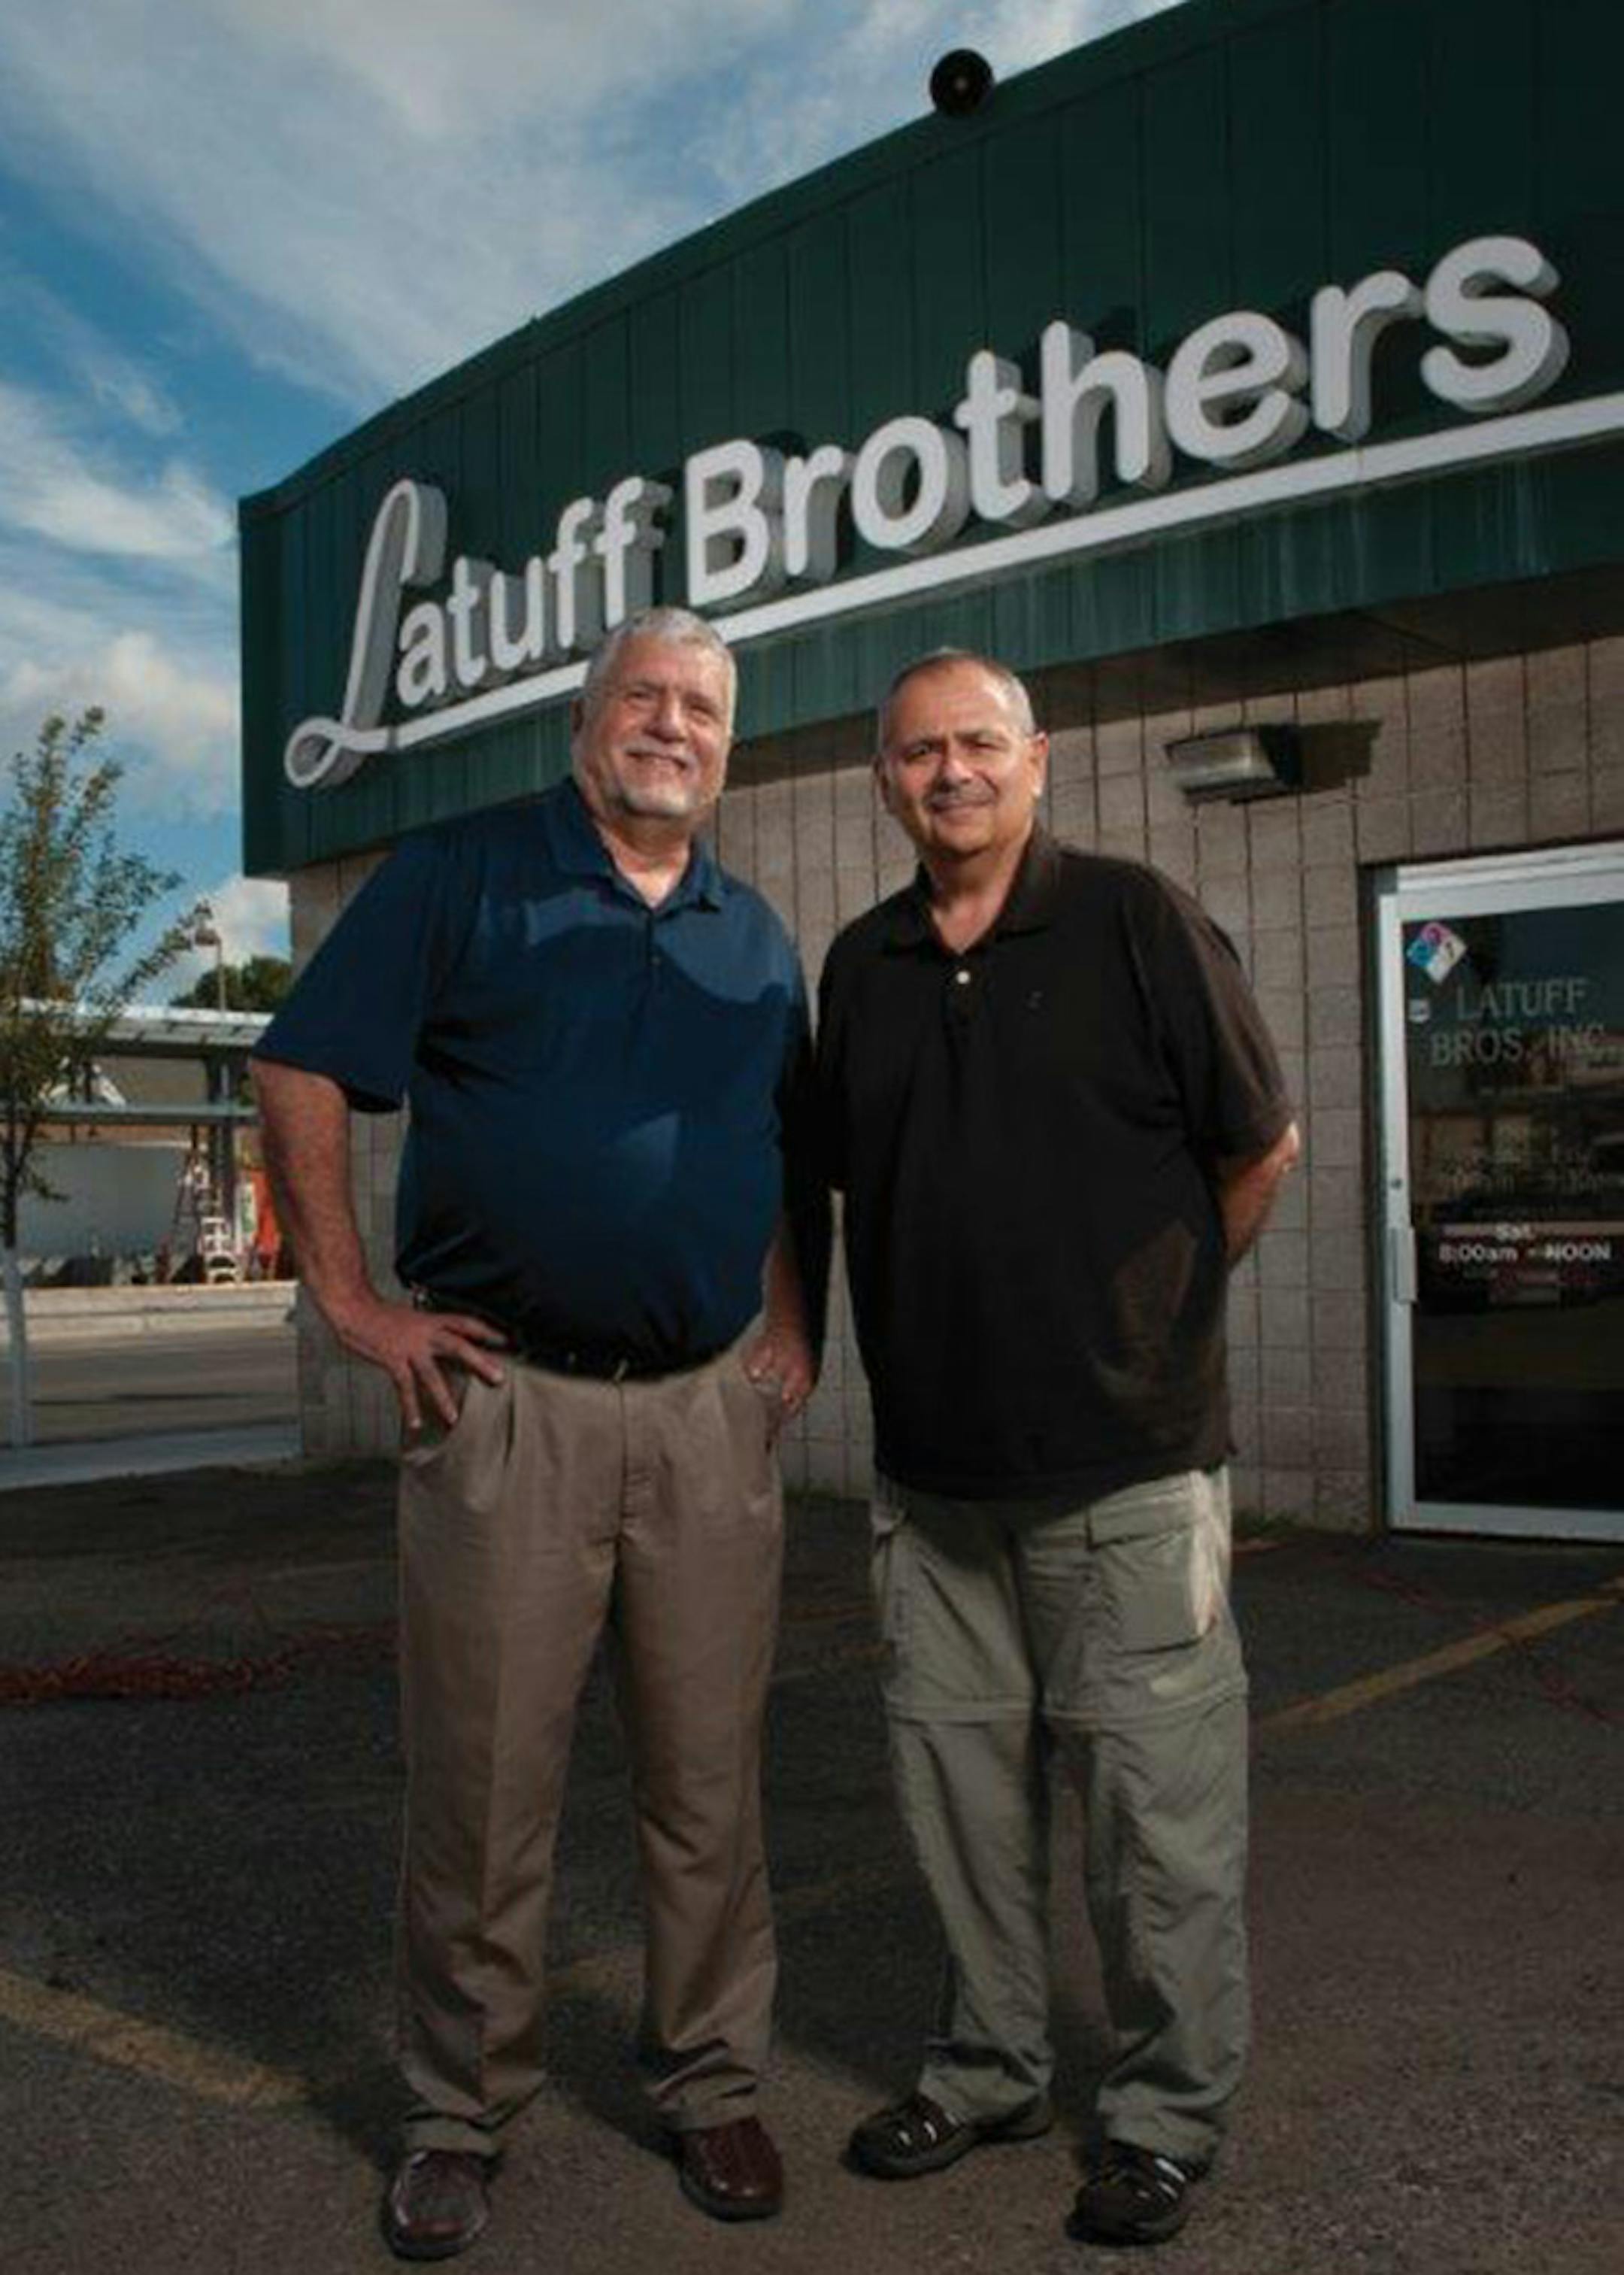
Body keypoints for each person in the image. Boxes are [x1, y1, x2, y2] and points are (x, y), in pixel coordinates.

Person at [251, 605, 826, 2260]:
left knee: (710, 1782)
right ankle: (456, 2111)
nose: (671, 722)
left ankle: (713, 2077)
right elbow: (301, 1066)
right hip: (508, 1409)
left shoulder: (754, 931)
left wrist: (794, 1329)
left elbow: (779, 1152)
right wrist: (351, 1306)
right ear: (586, 722)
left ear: (728, 743)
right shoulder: (464, 870)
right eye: (641, 694)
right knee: (486, 1787)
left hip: (708, 1417)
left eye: (702, 705)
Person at [816, 651, 1298, 2249]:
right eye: (917, 751)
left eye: (977, 744)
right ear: (885, 780)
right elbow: (829, 1186)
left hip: (1128, 1471)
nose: (948, 771)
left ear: (1038, 759)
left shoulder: (1136, 919)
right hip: (931, 1481)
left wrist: (1154, 1327)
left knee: (1158, 1827)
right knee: (962, 1804)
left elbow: (1261, 1144)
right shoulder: (863, 964)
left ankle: (1163, 2116)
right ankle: (991, 2066)